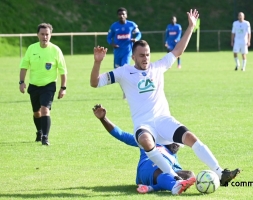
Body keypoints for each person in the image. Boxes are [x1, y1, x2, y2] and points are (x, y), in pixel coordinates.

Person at [90, 9, 240, 187]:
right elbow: (95, 83)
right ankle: (174, 178)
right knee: (145, 141)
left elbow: (178, 51)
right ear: (133, 56)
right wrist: (97, 62)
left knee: (191, 137)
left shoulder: (158, 67)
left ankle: (220, 172)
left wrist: (191, 27)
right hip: (143, 124)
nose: (145, 58)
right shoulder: (124, 72)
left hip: (163, 120)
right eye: (141, 55)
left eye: (147, 54)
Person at [92, 104, 196, 195]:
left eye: (179, 145)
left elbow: (180, 174)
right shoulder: (149, 140)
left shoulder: (174, 159)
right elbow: (122, 135)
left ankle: (152, 188)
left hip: (157, 176)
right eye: (176, 144)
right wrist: (103, 119)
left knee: (189, 175)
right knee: (163, 170)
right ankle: (173, 188)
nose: (177, 147)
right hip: (145, 171)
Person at [19, 23, 67, 145]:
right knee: (36, 112)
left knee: (45, 110)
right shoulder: (31, 48)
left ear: (50, 35)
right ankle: (39, 131)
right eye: (42, 34)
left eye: (47, 34)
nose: (45, 37)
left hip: (48, 85)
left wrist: (63, 88)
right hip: (34, 85)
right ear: (37, 35)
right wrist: (21, 82)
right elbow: (24, 66)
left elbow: (63, 71)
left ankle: (45, 137)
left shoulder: (56, 50)